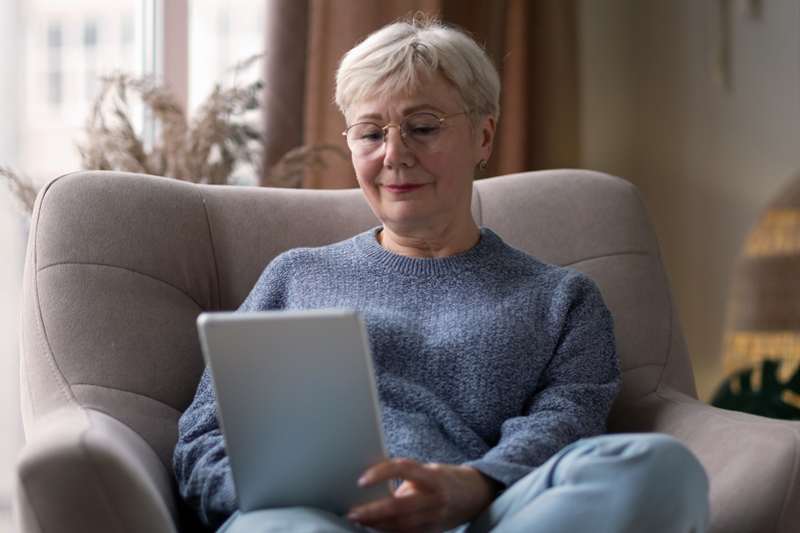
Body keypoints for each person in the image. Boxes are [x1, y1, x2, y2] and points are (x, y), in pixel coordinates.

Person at [174, 15, 710, 533]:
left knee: (661, 466)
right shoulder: (295, 278)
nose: (394, 155)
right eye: (369, 134)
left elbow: (565, 425)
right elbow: (202, 441)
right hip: (317, 516)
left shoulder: (562, 300)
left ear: (484, 136)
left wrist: (474, 485)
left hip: (486, 514)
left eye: (423, 127)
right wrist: (288, 498)